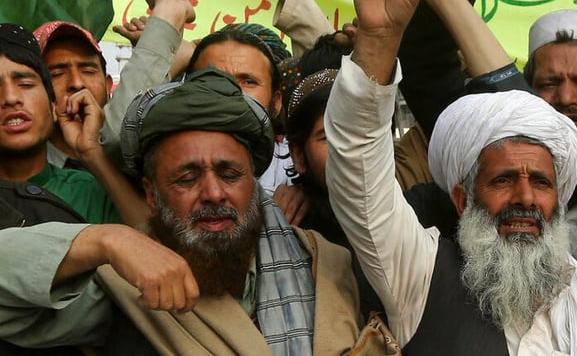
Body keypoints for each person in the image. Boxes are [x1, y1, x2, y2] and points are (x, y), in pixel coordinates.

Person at [325, 0, 577, 355]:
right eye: (503, 179)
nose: (526, 199)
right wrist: (378, 39)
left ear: (559, 197)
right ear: (462, 197)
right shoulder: (422, 276)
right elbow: (357, 170)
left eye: (541, 182)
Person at [0, 68, 396, 355]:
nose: (213, 193)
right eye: (187, 178)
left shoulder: (330, 262)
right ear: (151, 195)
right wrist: (107, 238)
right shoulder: (128, 288)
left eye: (229, 174)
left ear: (254, 183)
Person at [0, 23, 146, 226]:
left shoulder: (100, 190)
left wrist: (92, 153)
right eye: (57, 74)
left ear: (52, 107)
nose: (11, 97)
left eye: (25, 84)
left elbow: (153, 246)